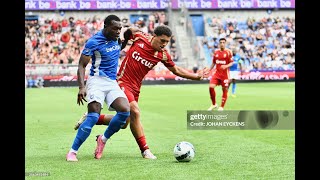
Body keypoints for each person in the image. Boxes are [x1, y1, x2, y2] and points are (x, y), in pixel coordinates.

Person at [74, 25, 209, 160]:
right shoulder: (140, 38)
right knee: (136, 111)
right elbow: (127, 33)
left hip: (136, 88)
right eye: (162, 40)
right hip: (121, 81)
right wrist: (128, 35)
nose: (164, 44)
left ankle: (92, 118)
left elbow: (176, 71)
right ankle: (145, 150)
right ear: (154, 36)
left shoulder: (162, 55)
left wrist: (196, 76)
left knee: (124, 123)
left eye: (167, 42)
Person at [66, 15, 130, 162]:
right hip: (96, 81)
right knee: (94, 115)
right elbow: (82, 65)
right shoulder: (93, 42)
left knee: (125, 111)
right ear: (105, 26)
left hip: (111, 82)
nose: (118, 31)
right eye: (115, 28)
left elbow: (119, 46)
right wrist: (82, 87)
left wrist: (128, 36)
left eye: (120, 28)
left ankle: (103, 139)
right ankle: (72, 152)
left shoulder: (116, 38)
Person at [207, 38, 234, 111]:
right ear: (219, 44)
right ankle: (214, 104)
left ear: (225, 43)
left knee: (224, 89)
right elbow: (213, 62)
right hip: (217, 74)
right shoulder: (216, 52)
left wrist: (226, 66)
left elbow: (232, 62)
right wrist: (209, 70)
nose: (222, 44)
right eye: (221, 42)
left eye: (223, 42)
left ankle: (221, 106)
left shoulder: (229, 52)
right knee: (211, 87)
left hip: (225, 75)